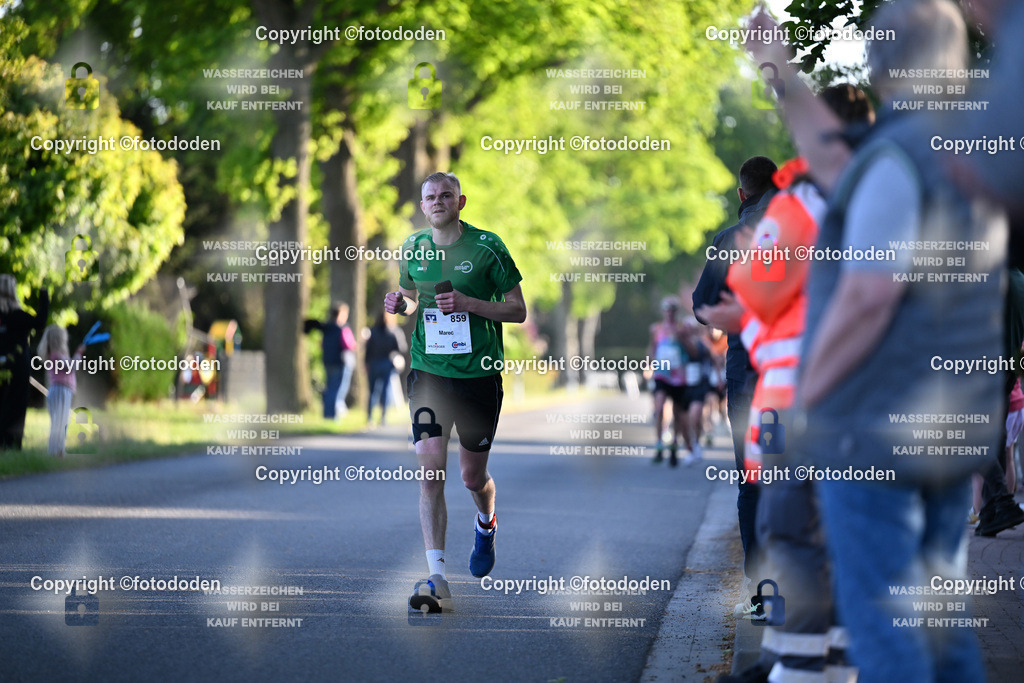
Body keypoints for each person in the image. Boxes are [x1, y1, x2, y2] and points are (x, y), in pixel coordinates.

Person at [793, 2, 1003, 680]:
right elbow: (832, 158)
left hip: (871, 428)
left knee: (886, 631)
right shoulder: (976, 156)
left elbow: (869, 294)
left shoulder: (896, 156)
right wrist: (779, 72)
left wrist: (807, 397)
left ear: (882, 62)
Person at [712, 79, 875, 683]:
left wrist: (744, 324)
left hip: (793, 396)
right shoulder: (897, 190)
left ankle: (793, 667)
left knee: (792, 534)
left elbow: (754, 295)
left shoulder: (801, 202)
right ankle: (825, 663)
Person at [384, 171, 526, 613]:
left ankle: (486, 523)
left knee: (470, 477)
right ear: (423, 205)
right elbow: (411, 300)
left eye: (447, 195)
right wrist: (399, 305)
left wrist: (469, 304)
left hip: (479, 375)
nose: (439, 201)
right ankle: (436, 576)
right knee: (430, 474)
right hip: (429, 373)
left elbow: (518, 310)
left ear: (461, 201)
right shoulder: (412, 248)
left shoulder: (489, 248)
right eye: (431, 197)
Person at [693, 155, 777, 594]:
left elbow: (702, 306)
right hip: (802, 374)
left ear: (742, 194)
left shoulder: (730, 240)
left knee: (754, 480)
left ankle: (763, 590)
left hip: (749, 377)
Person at [0, 275, 48, 450]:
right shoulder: (18, 316)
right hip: (18, 366)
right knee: (16, 406)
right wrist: (43, 293)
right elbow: (40, 321)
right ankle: (11, 446)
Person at [648, 297, 688, 466]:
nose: (669, 312)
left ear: (676, 311)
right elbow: (652, 347)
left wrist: (681, 338)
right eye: (667, 309)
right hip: (661, 373)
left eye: (673, 309)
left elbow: (689, 348)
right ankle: (659, 444)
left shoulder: (682, 328)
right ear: (663, 311)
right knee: (659, 407)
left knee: (677, 412)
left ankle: (674, 444)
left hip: (679, 376)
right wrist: (648, 365)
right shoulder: (656, 328)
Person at [37, 325, 84, 458]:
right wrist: (79, 354)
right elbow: (72, 366)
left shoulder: (55, 355)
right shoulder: (57, 355)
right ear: (59, 340)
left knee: (60, 422)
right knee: (60, 423)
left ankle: (57, 451)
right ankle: (56, 452)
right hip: (61, 391)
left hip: (59, 391)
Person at [364, 312, 407, 426]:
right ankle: (383, 417)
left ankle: (369, 417)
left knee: (372, 391)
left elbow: (368, 350)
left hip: (373, 363)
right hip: (387, 363)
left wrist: (366, 363)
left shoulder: (373, 332)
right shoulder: (393, 332)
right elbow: (402, 348)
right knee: (385, 390)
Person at [319, 302, 356, 420]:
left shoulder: (327, 328)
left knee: (329, 387)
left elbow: (322, 344)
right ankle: (333, 415)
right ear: (340, 314)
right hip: (339, 362)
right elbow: (348, 345)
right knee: (337, 389)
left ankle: (327, 414)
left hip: (327, 361)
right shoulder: (342, 329)